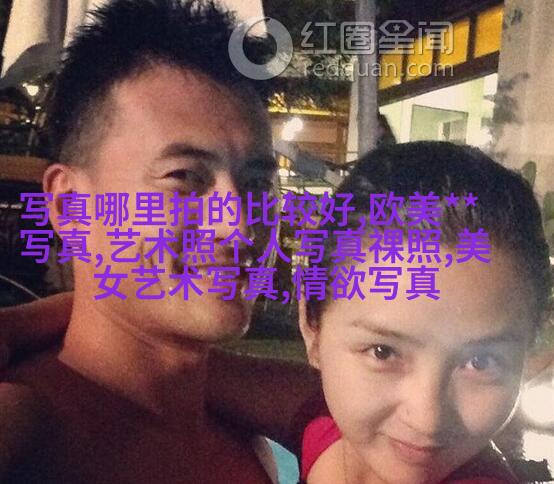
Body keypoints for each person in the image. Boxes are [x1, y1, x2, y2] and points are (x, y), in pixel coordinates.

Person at [0, 0, 321, 481]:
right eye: (184, 176)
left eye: (258, 183)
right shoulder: (25, 434)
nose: (237, 225)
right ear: (69, 206)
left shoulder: (243, 440)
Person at [296, 142, 552, 483]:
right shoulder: (322, 427)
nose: (427, 420)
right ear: (312, 328)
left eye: (481, 362)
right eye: (383, 352)